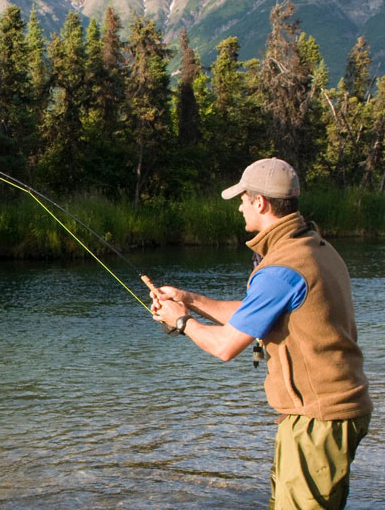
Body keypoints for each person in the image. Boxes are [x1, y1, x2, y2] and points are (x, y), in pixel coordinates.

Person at [150, 157, 372, 510]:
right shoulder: (314, 247)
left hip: (319, 419)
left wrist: (182, 321)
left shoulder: (282, 268)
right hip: (327, 412)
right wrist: (190, 300)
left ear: (261, 203)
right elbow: (256, 313)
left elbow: (225, 346)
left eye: (242, 198)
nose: (239, 207)